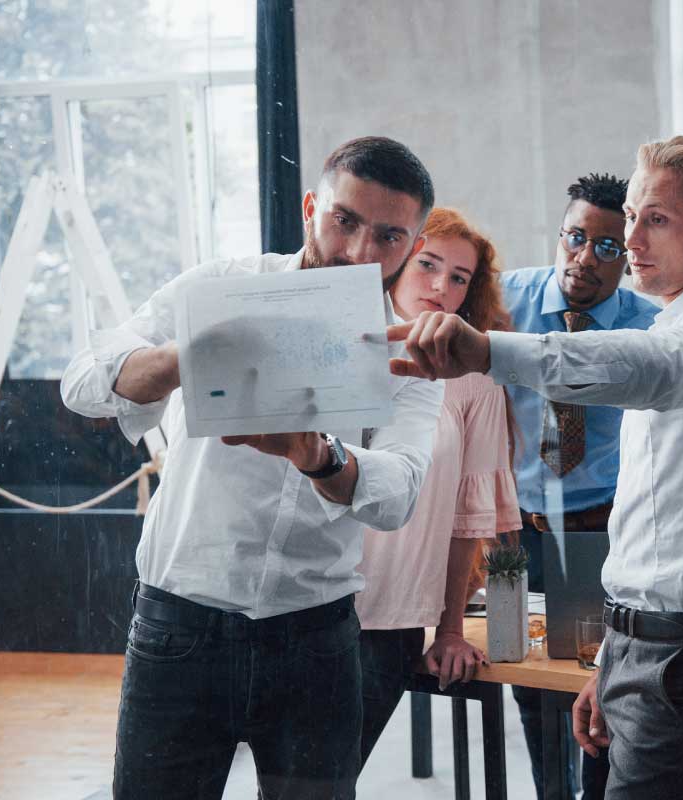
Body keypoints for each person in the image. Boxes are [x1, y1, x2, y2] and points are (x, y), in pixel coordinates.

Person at [386, 135, 683, 800]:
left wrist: (487, 350)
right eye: (632, 216)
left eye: (655, 219)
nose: (632, 238)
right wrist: (614, 658)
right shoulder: (676, 317)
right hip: (640, 641)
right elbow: (654, 518)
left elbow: (666, 374)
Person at [60, 136, 442, 800]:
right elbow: (83, 383)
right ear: (311, 206)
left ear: (413, 243)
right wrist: (188, 356)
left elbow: (397, 495)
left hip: (316, 640)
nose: (358, 251)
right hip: (179, 626)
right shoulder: (222, 287)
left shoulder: (404, 356)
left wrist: (320, 457)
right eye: (345, 221)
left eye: (387, 236)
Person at [497, 172, 657, 798]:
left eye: (607, 247)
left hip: (602, 533)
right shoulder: (502, 301)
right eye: (575, 238)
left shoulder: (651, 327)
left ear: (629, 254)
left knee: (603, 692)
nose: (584, 259)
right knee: (529, 688)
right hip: (518, 532)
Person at [353, 207, 521, 764]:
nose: (439, 286)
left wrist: (450, 630)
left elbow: (469, 518)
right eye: (427, 264)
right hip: (302, 605)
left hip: (392, 615)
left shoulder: (474, 380)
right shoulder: (339, 345)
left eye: (459, 278)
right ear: (398, 261)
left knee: (328, 778)